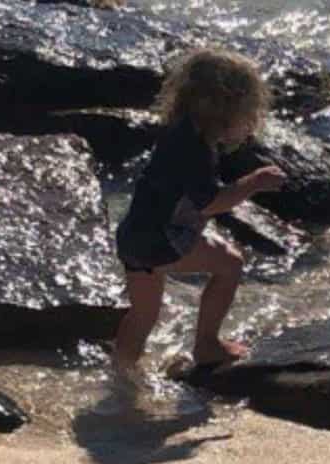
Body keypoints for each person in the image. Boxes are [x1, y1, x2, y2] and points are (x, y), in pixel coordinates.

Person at [111, 47, 287, 386]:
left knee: (143, 314)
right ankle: (206, 345)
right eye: (247, 113)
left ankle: (121, 376)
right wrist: (255, 182)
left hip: (134, 236)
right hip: (163, 240)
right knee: (230, 263)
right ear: (225, 110)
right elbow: (212, 203)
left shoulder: (179, 131)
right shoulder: (194, 150)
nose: (249, 123)